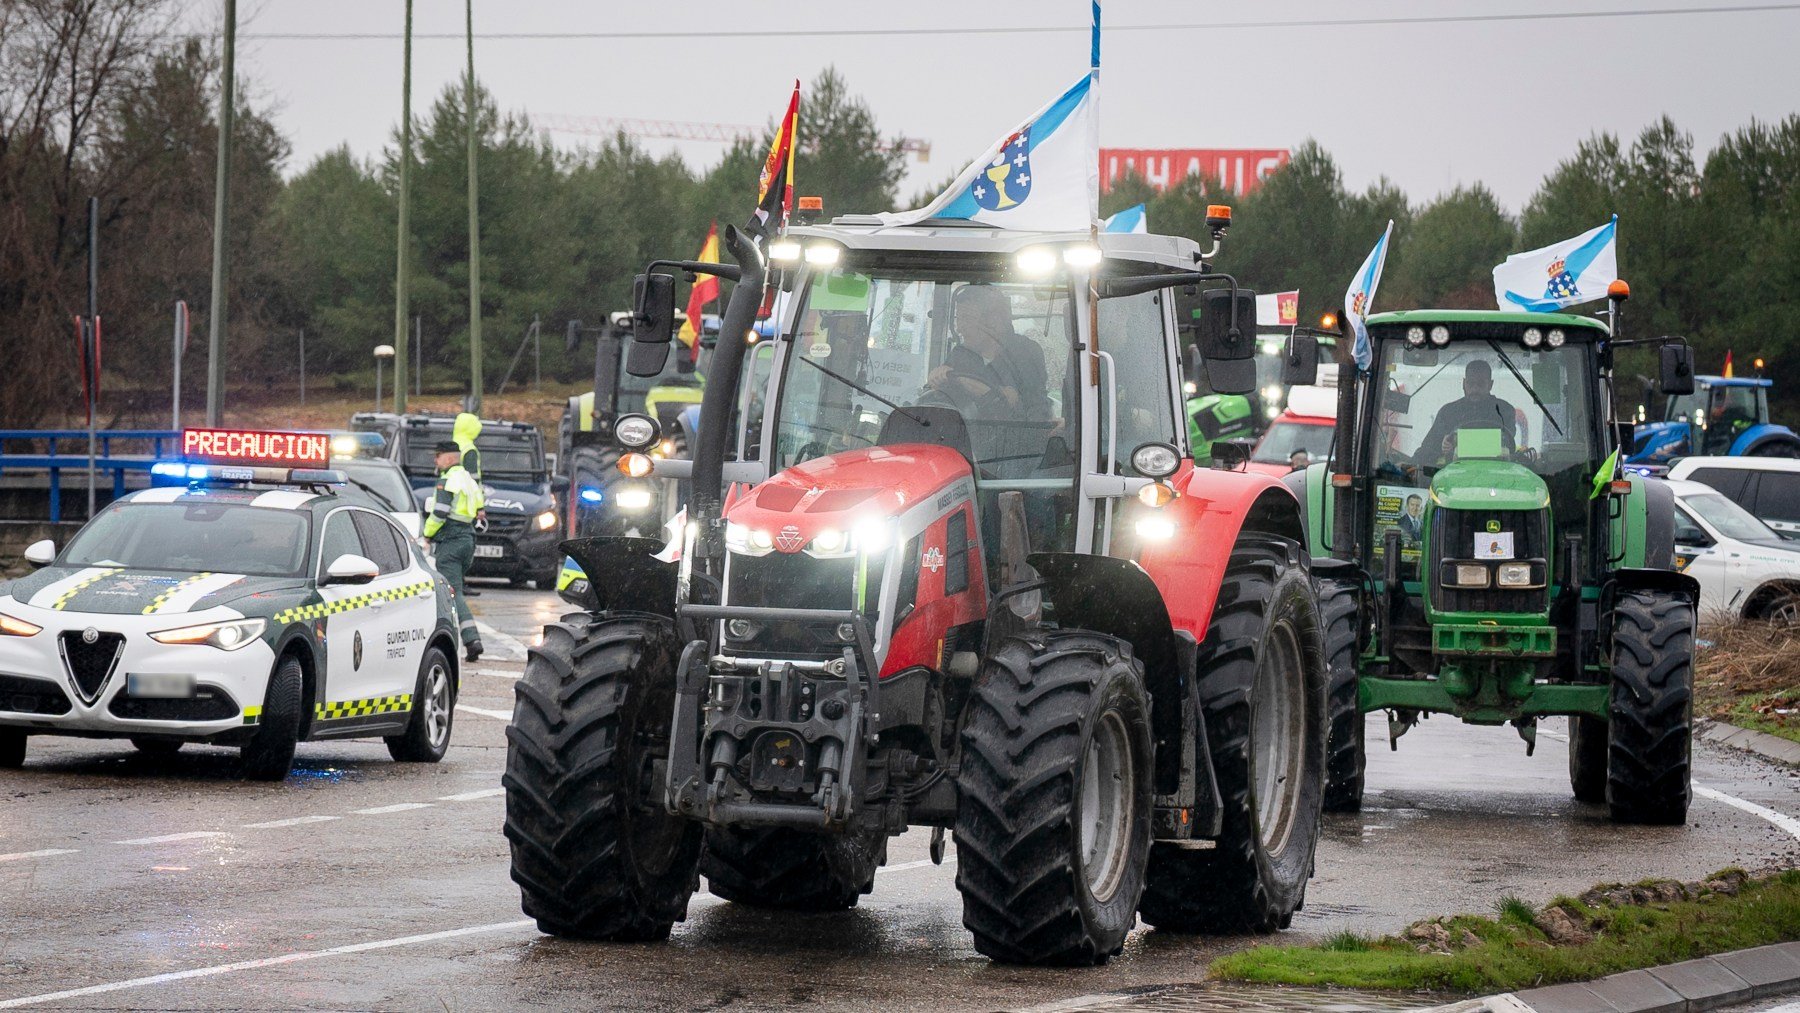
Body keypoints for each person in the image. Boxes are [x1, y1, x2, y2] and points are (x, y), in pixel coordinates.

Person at [927, 285, 1049, 421]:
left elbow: (1026, 407)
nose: (960, 328)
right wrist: (936, 379)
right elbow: (942, 398)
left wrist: (961, 380)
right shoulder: (960, 355)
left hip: (1013, 431)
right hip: (962, 430)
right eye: (958, 319)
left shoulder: (1025, 353)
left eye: (967, 318)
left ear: (994, 321)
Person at [424, 439, 484, 662]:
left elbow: (440, 512)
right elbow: (479, 508)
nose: (435, 461)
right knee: (455, 590)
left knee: (453, 593)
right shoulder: (468, 479)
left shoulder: (447, 480)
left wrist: (427, 534)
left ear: (448, 458)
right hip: (468, 538)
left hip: (451, 539)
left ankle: (471, 640)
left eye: (437, 456)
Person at [1413, 360, 1520, 466]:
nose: (1475, 389)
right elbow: (1427, 450)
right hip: (1453, 473)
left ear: (1490, 384)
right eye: (1470, 383)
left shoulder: (1504, 411)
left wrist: (1456, 442)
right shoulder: (1448, 412)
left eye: (1480, 384)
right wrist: (1443, 445)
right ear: (1463, 383)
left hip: (1496, 471)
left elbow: (1508, 442)